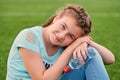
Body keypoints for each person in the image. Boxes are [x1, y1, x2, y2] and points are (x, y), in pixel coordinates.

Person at [6, 4, 115, 80]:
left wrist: (85, 42)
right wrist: (71, 48)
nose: (62, 36)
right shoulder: (29, 36)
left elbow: (110, 59)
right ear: (56, 19)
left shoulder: (66, 45)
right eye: (63, 26)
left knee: (90, 53)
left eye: (70, 36)